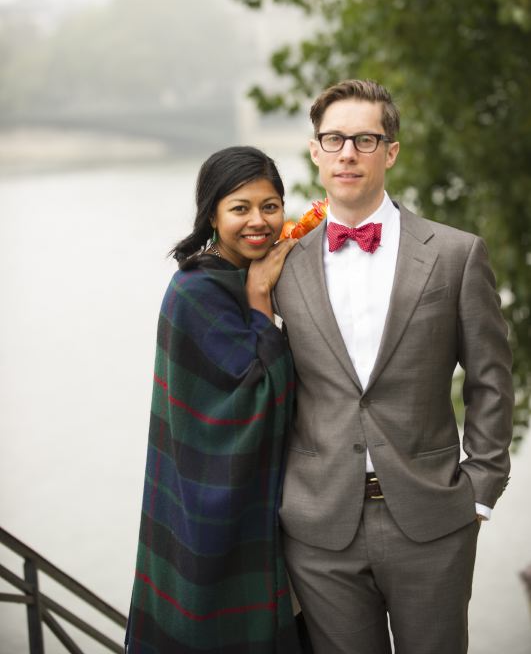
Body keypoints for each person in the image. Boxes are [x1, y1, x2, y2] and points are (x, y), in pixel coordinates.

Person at [274, 79, 514, 654]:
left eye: (365, 139)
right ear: (315, 151)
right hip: (319, 528)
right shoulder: (280, 264)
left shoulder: (456, 254)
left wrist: (480, 489)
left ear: (391, 151)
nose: (348, 153)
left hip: (434, 521)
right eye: (334, 139)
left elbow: (491, 379)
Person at [126, 146, 302, 654]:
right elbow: (263, 393)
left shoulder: (262, 268)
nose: (258, 221)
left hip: (280, 509)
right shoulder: (195, 290)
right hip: (209, 510)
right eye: (240, 208)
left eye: (270, 206)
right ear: (212, 214)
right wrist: (261, 299)